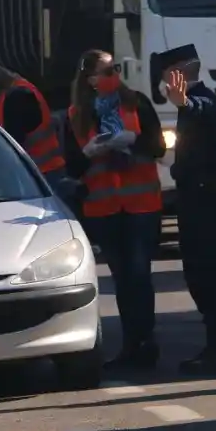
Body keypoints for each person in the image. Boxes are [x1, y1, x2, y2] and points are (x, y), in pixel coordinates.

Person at [64, 50, 166, 369]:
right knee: (123, 278)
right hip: (105, 208)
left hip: (140, 205)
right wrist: (91, 151)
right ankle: (132, 343)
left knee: (139, 273)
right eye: (105, 71)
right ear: (90, 79)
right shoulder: (76, 114)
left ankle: (146, 341)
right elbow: (73, 166)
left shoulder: (136, 102)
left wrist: (132, 140)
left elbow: (158, 146)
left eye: (115, 69)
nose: (113, 75)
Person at [163, 59, 216, 375]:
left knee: (210, 276)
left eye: (168, 73)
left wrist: (184, 102)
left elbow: (199, 108)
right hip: (198, 196)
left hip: (205, 198)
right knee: (201, 275)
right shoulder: (198, 101)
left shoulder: (203, 100)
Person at [0, 57, 66, 184]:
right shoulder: (18, 91)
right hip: (45, 172)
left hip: (40, 176)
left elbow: (9, 147)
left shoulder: (15, 99)